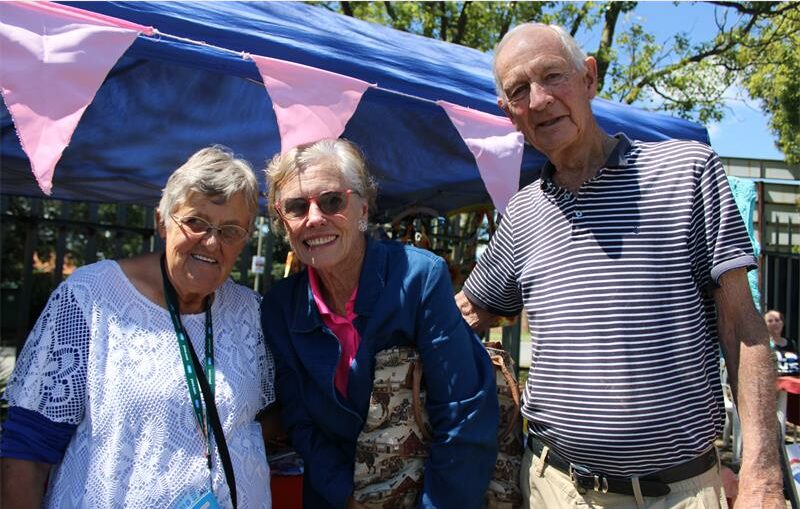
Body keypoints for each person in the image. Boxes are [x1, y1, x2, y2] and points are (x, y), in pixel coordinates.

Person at [455, 22, 783, 509]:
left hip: (678, 493)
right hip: (554, 487)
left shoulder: (687, 171)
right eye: (519, 90)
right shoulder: (523, 213)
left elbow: (744, 328)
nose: (540, 100)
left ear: (589, 78)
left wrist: (763, 473)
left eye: (552, 76)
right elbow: (466, 312)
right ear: (509, 114)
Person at [1, 146, 275, 509]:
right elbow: (27, 448)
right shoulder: (91, 299)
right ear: (162, 221)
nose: (212, 241)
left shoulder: (249, 311)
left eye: (230, 230)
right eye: (196, 222)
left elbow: (269, 418)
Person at [260, 138, 499, 509]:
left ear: (363, 210)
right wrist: (347, 497)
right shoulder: (280, 307)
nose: (315, 218)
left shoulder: (420, 279)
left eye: (332, 201)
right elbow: (300, 421)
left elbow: (462, 414)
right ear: (282, 222)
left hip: (429, 492)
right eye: (296, 206)